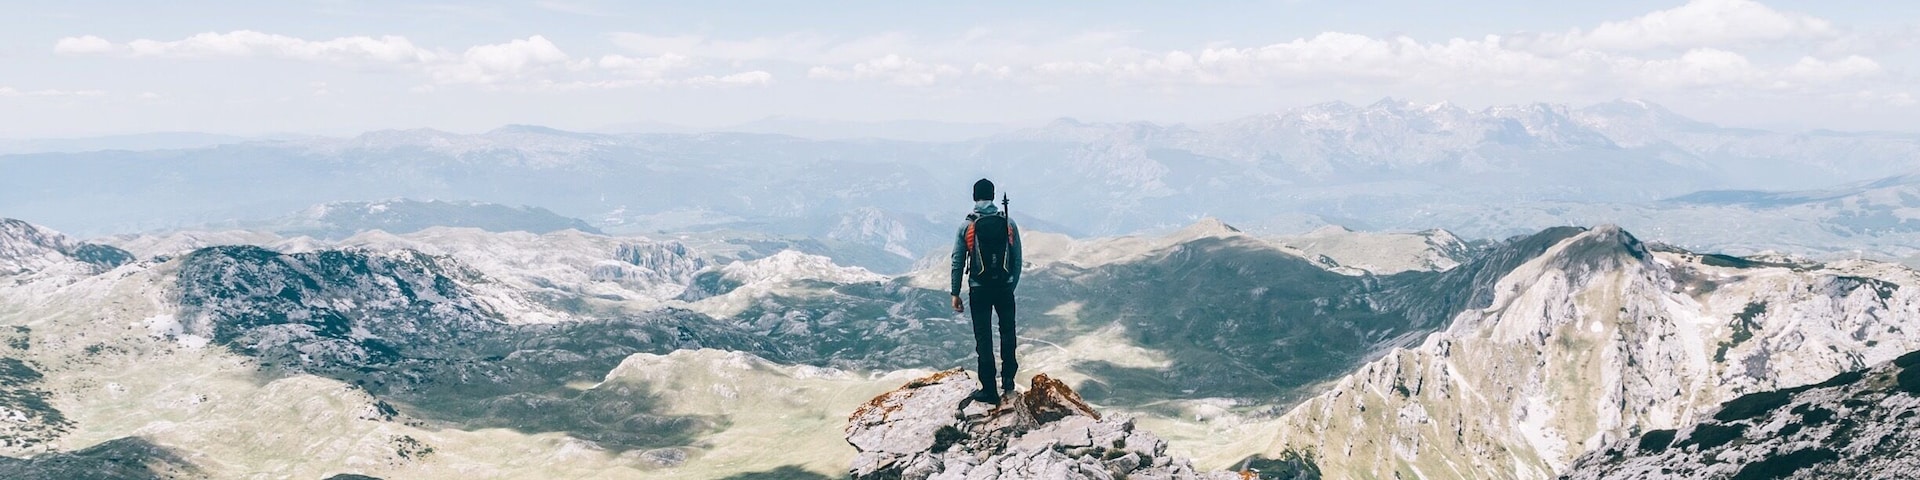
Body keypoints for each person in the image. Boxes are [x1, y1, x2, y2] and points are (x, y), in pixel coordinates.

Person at [951, 178, 1023, 405]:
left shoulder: (967, 226)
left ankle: (989, 390)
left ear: (974, 197)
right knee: (1007, 332)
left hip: (979, 289)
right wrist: (1011, 284)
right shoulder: (1007, 223)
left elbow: (957, 260)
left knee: (983, 338)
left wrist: (955, 292)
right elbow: (1017, 258)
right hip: (1004, 287)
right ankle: (1009, 380)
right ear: (992, 196)